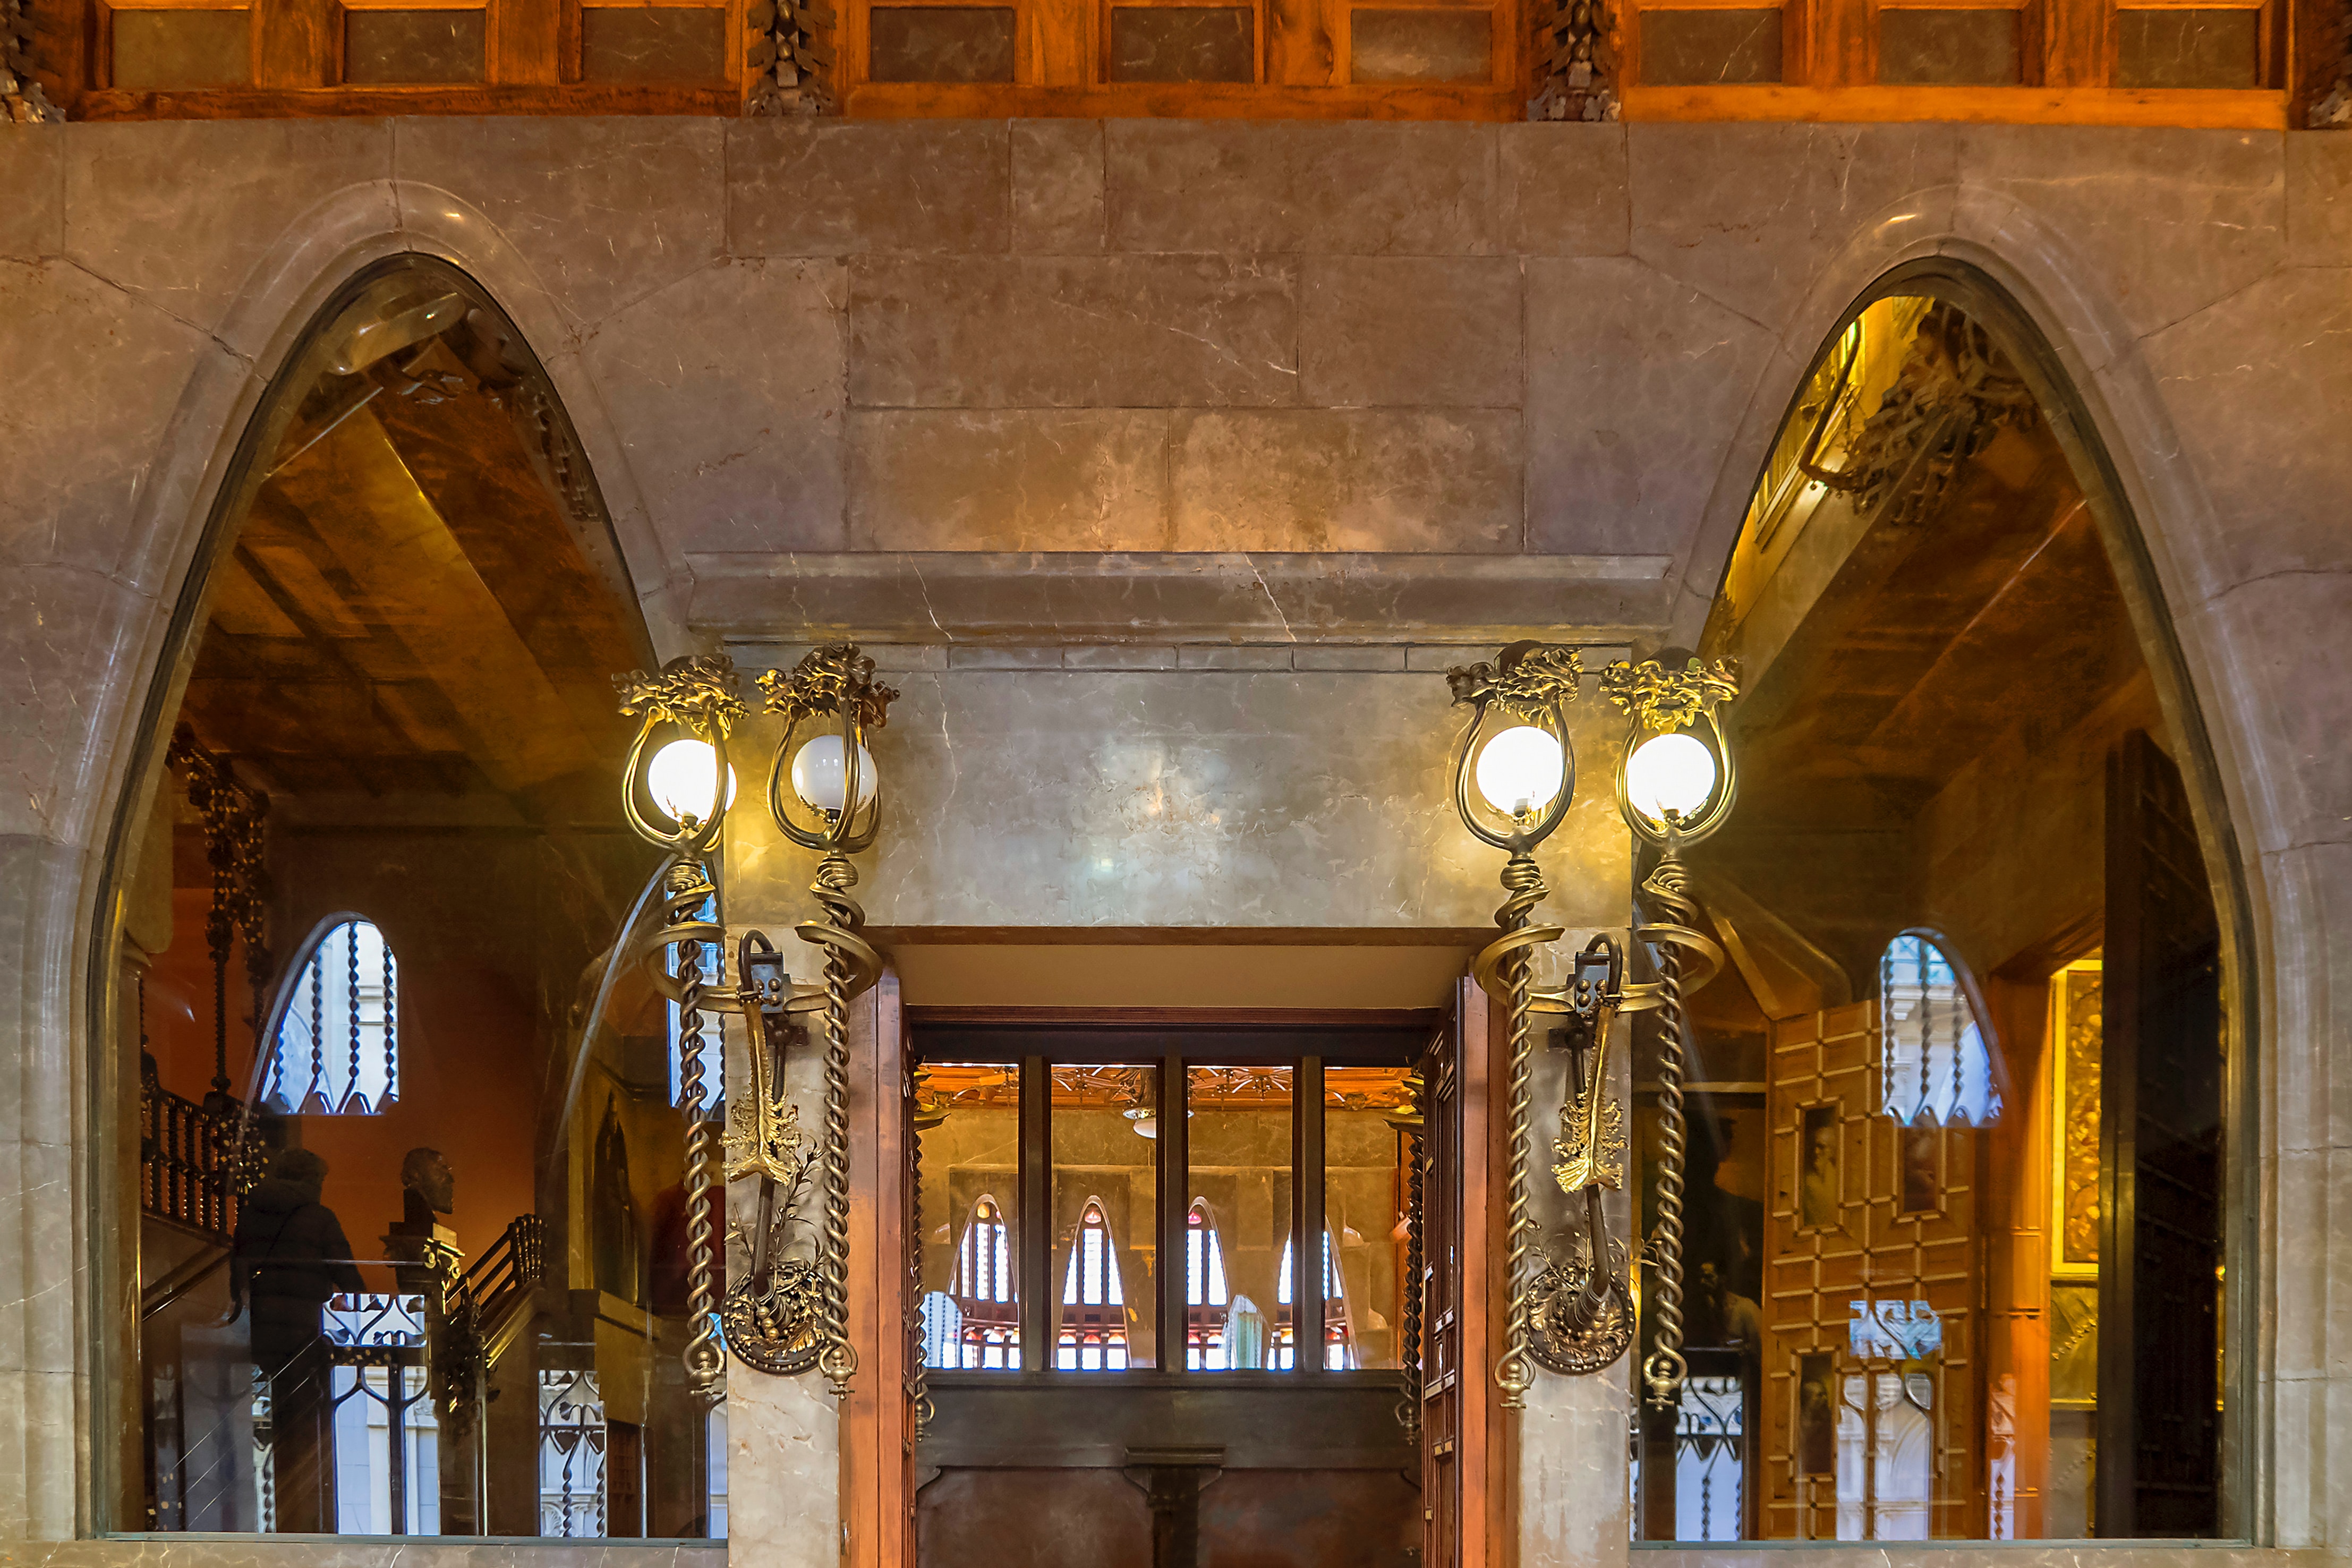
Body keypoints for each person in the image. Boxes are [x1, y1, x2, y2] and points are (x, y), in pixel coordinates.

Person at [232, 1147, 364, 1532]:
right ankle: (303, 1522)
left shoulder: (252, 1213)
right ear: (312, 1181)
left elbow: (235, 1267)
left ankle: (274, 1519)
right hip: (304, 1332)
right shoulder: (319, 1218)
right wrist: (350, 1299)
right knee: (303, 1427)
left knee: (264, 1418)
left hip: (260, 1329)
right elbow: (350, 1277)